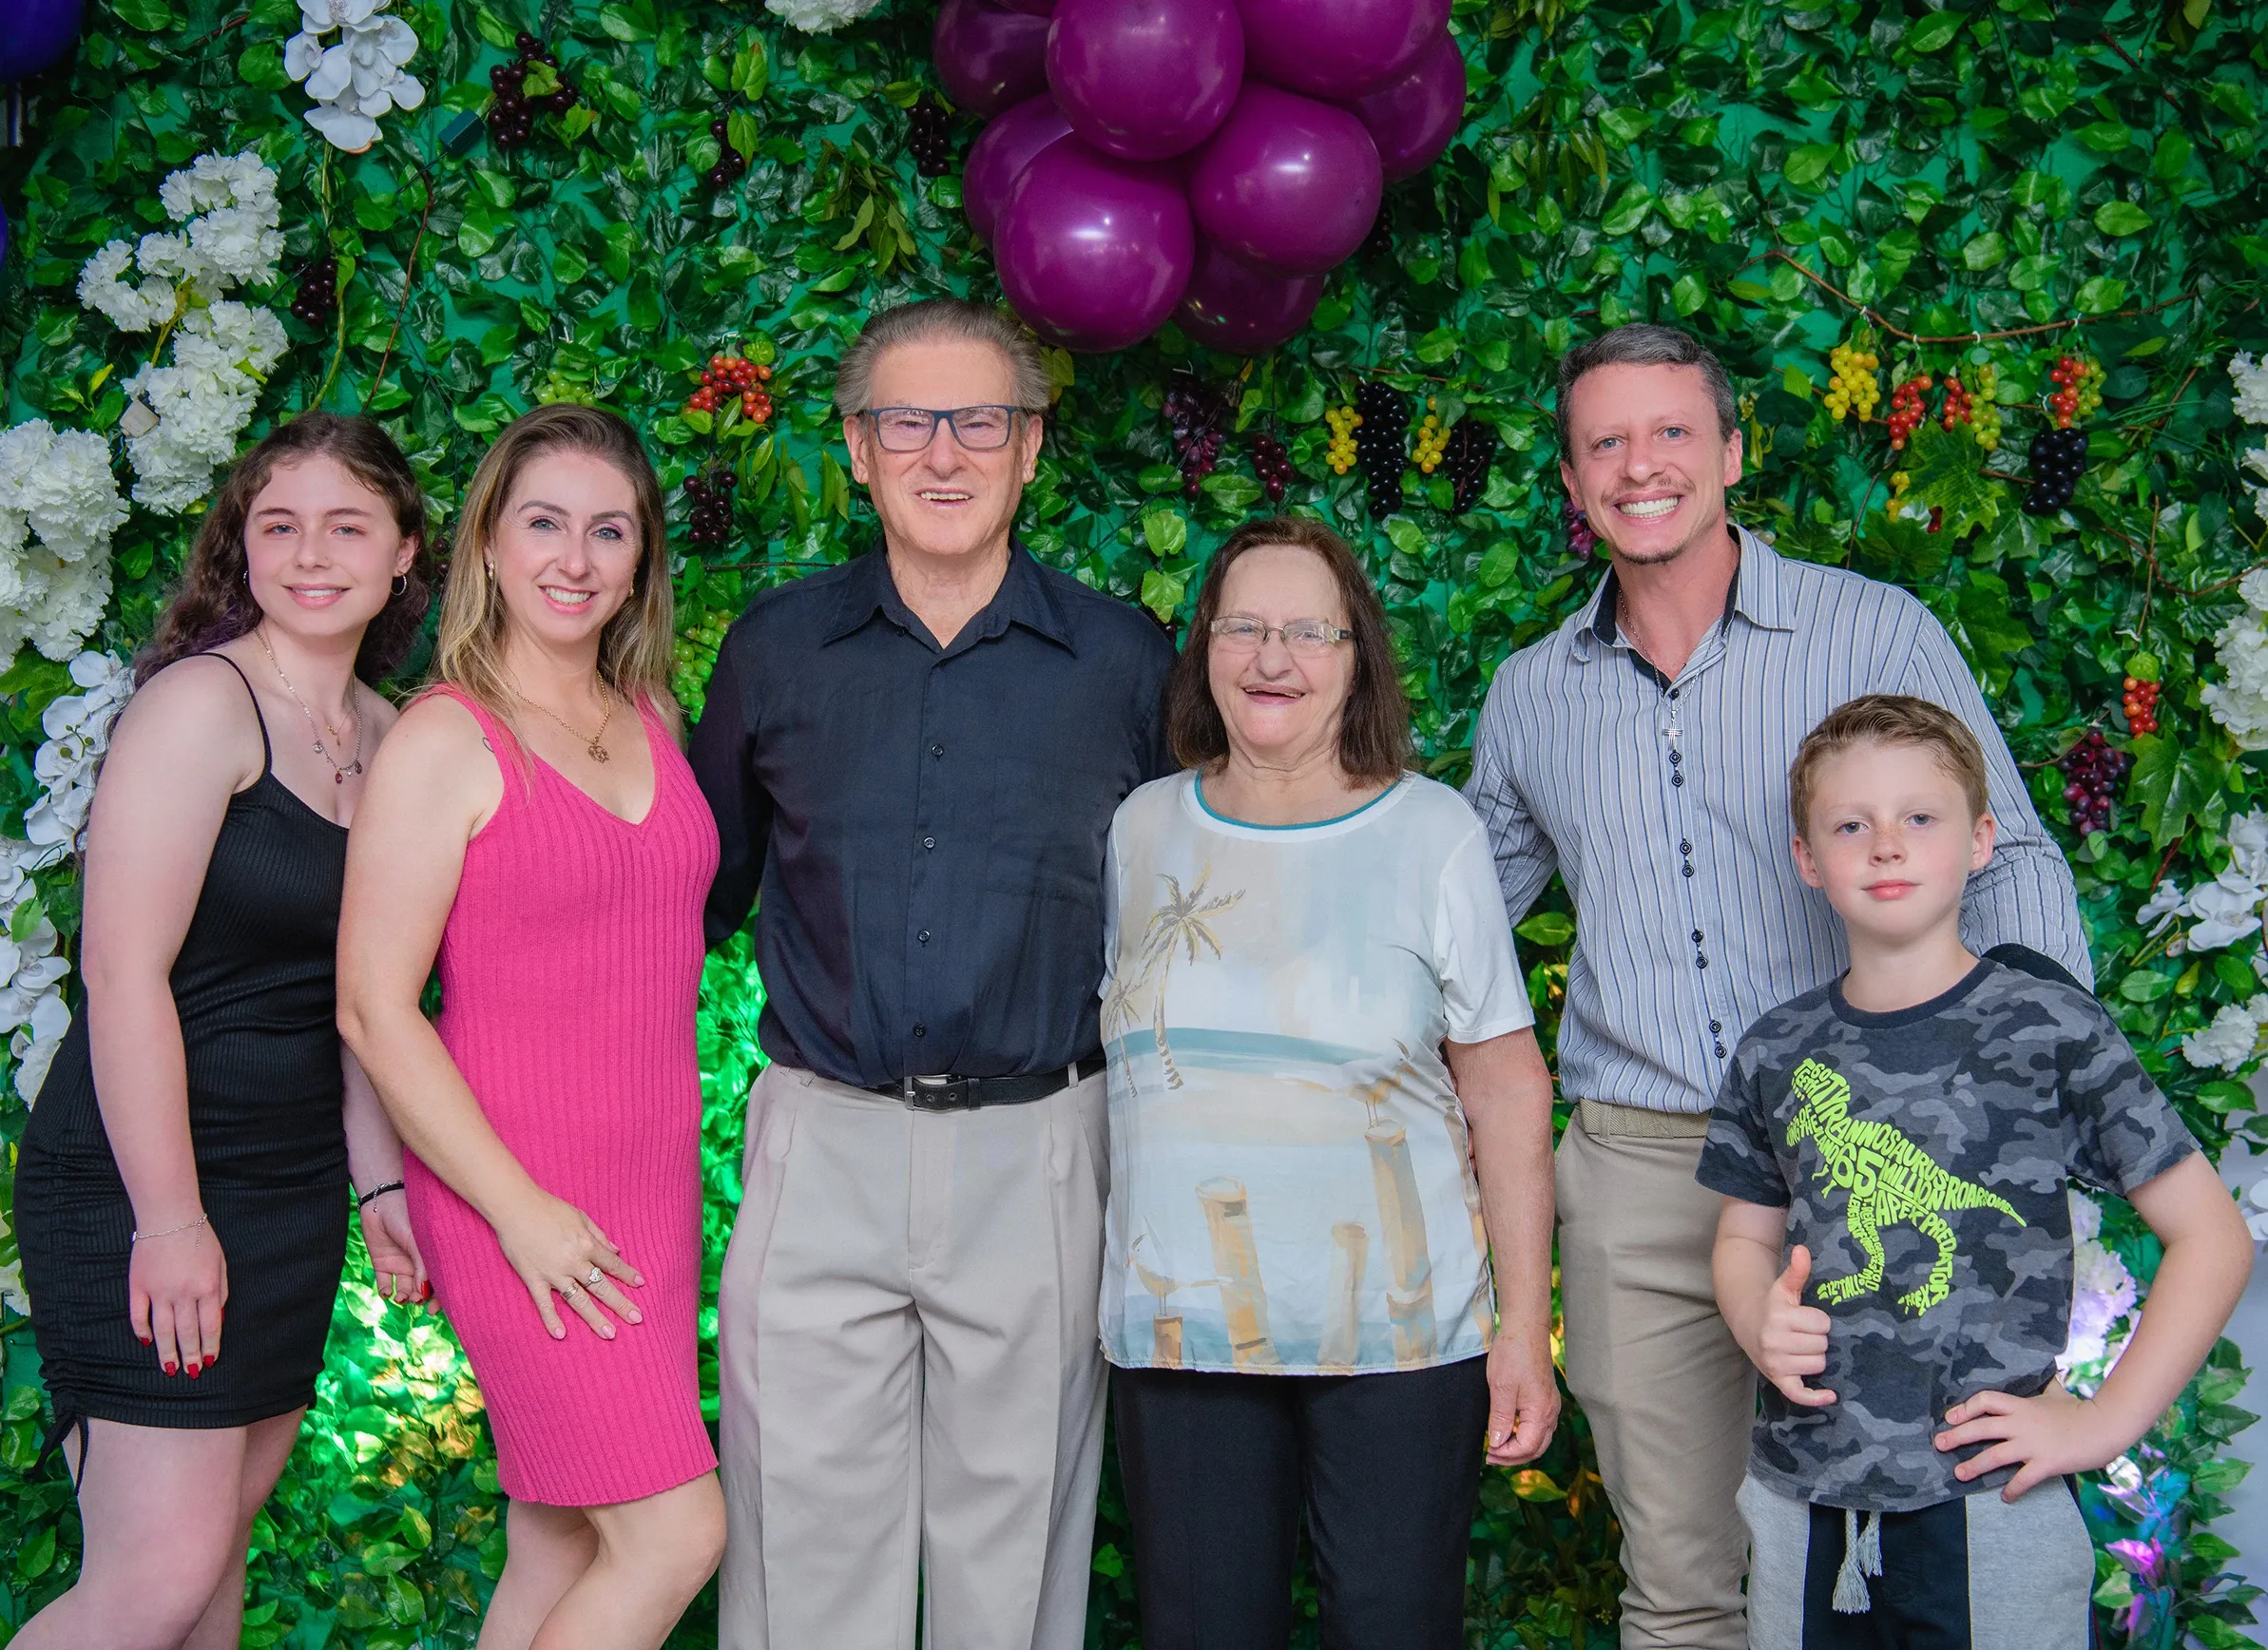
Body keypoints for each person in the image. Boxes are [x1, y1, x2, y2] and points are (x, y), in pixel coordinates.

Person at [1463, 323, 2090, 1649]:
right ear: (1572, 484)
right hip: (1637, 1181)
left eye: (1672, 431)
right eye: (1605, 443)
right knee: (1679, 1584)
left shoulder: (1875, 630)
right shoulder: (1528, 699)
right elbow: (1457, 928)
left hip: (1851, 1160)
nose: (1642, 466)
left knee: (1895, 1563)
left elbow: (2011, 851)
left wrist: (2023, 1088)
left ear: (1731, 451)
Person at [688, 297, 1175, 1650]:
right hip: (822, 1142)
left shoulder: (1125, 660)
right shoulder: (774, 649)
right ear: (855, 448)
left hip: (1041, 1149)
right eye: (906, 421)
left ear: (1030, 451)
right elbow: (690, 899)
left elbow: (1193, 906)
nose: (942, 453)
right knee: (800, 1559)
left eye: (980, 421)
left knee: (1011, 1566)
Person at [1700, 695, 2253, 1643]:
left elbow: (2211, 1235)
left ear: (1980, 839)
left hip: (1993, 1499)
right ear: (1806, 856)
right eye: (1849, 823)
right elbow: (1744, 1235)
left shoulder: (2048, 1029)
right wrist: (1753, 1310)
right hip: (1804, 1496)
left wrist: (2103, 1421)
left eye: (1919, 816)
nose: (1884, 845)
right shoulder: (1773, 1049)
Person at [1098, 517, 1559, 1650]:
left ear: (1356, 659)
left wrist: (1521, 1325)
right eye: (1244, 626)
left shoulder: (1433, 833)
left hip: (1402, 1340)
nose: (1273, 658)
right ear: (1203, 646)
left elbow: (1505, 1091)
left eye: (1309, 631)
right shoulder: (1141, 828)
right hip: (1182, 1331)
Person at [12, 413, 432, 1650]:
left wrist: (379, 1187)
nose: (313, 553)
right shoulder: (202, 706)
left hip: (291, 1192)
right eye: (280, 525)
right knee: (156, 1578)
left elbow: (363, 1000)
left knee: (208, 1586)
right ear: (240, 551)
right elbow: (121, 973)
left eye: (347, 525)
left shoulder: (393, 734)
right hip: (150, 1183)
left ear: (403, 551)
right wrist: (173, 1220)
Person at [336, 404, 723, 1650]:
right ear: (488, 548)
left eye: (607, 531)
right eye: (543, 524)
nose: (574, 558)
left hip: (645, 1202)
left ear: (640, 558)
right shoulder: (447, 736)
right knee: (676, 1533)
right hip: (524, 1205)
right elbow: (371, 1004)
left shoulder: (649, 714)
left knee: (559, 1541)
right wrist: (517, 1213)